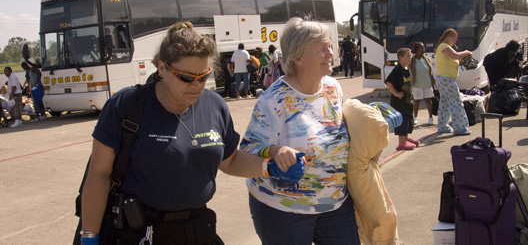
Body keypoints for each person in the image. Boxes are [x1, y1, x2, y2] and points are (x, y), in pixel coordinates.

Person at [80, 21, 303, 245]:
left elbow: (230, 161)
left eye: (203, 76)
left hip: (199, 228)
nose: (197, 85)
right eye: (186, 77)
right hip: (142, 231)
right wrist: (89, 237)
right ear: (162, 68)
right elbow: (99, 174)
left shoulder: (214, 105)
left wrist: (270, 167)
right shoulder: (127, 105)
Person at [240, 17, 361, 245]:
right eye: (322, 49)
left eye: (330, 46)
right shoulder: (274, 100)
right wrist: (276, 151)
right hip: (283, 210)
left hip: (334, 203)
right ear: (298, 58)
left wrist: (371, 122)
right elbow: (247, 149)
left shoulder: (332, 87)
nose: (331, 54)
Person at [433, 29, 473, 135]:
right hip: (446, 79)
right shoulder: (444, 47)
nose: (455, 42)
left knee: (445, 103)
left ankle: (443, 126)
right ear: (448, 37)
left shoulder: (443, 47)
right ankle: (460, 127)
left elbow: (454, 58)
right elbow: (455, 56)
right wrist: (466, 53)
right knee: (456, 102)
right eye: (454, 39)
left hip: (442, 78)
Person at [386, 48, 419, 151]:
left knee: (409, 120)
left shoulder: (406, 69)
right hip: (400, 102)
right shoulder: (397, 70)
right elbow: (389, 82)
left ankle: (406, 139)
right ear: (400, 58)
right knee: (403, 120)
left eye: (410, 56)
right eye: (407, 56)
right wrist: (395, 93)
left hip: (408, 100)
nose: (410, 58)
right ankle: (401, 142)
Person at [409, 42, 436, 126]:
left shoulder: (427, 59)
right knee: (417, 101)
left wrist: (433, 82)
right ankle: (415, 117)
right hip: (417, 84)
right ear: (416, 50)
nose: (423, 50)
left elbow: (430, 71)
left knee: (428, 100)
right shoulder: (412, 60)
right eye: (421, 49)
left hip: (427, 83)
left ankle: (430, 118)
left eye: (424, 48)